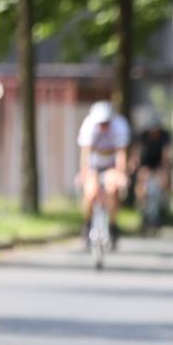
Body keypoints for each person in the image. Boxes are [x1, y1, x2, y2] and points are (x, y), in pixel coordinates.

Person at [77, 101, 131, 246]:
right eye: (100, 123)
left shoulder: (120, 126)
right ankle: (87, 224)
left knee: (112, 190)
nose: (103, 127)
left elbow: (121, 154)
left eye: (106, 123)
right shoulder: (88, 126)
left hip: (111, 165)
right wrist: (84, 173)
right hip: (94, 165)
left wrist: (121, 174)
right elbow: (85, 153)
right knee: (90, 192)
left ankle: (112, 226)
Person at [134, 117, 171, 227]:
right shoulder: (143, 136)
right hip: (145, 164)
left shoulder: (165, 137)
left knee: (163, 182)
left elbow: (166, 154)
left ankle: (161, 207)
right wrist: (137, 166)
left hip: (159, 164)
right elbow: (137, 152)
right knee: (141, 184)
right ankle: (141, 206)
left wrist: (165, 170)